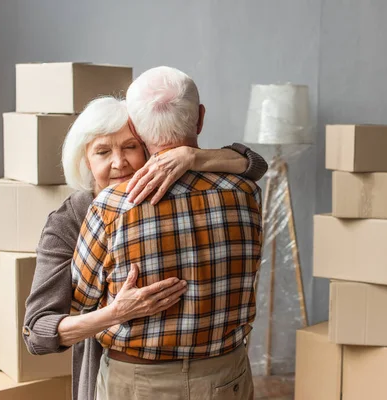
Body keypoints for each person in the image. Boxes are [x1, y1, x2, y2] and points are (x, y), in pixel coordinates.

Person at [23, 96, 267, 400]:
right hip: (119, 374)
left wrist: (190, 156)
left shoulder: (174, 188)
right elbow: (38, 334)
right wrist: (115, 313)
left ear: (150, 148)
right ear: (85, 161)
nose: (119, 162)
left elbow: (255, 164)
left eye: (130, 147)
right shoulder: (69, 221)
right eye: (102, 151)